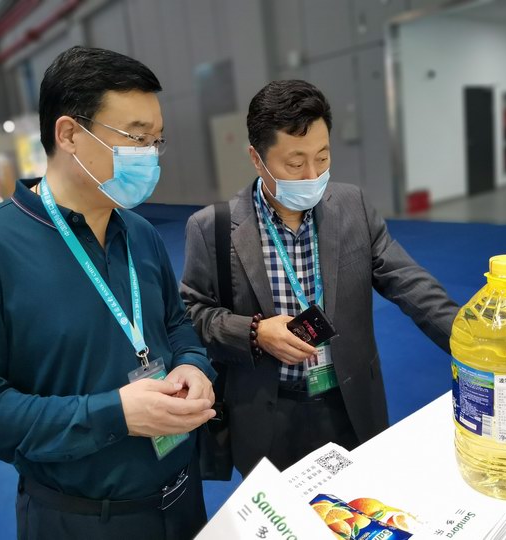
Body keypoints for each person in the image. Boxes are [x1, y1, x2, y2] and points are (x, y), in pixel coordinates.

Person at [0, 46, 216, 540]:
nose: (149, 155)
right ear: (68, 135)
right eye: (136, 138)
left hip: (183, 498)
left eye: (156, 140)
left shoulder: (139, 233)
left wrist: (193, 364)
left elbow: (175, 324)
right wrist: (112, 415)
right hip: (81, 517)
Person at [180, 80, 459, 475]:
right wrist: (255, 333)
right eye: (295, 164)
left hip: (349, 400)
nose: (312, 175)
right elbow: (193, 314)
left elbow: (409, 281)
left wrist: (473, 339)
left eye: (323, 158)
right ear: (257, 159)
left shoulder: (351, 206)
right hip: (268, 411)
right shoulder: (214, 227)